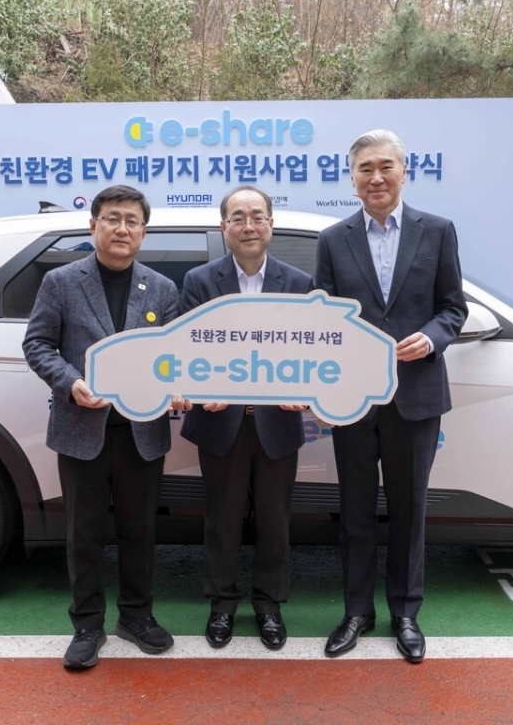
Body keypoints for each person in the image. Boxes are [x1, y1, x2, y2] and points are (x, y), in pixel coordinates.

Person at [314, 129, 468, 663]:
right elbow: (323, 324)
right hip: (353, 400)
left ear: (405, 171)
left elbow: (454, 308)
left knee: (409, 510)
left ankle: (405, 613)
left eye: (385, 166)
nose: (375, 177)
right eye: (364, 169)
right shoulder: (333, 241)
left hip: (416, 394)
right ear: (351, 178)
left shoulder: (438, 231)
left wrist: (432, 337)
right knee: (354, 510)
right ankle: (356, 612)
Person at [22, 184, 184, 670]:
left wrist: (176, 383)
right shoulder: (62, 283)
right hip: (81, 427)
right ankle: (87, 624)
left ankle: (136, 616)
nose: (122, 228)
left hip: (141, 432)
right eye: (112, 218)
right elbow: (38, 345)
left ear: (143, 232)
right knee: (84, 532)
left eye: (132, 221)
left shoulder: (161, 288)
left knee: (140, 529)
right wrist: (70, 383)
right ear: (93, 226)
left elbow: (173, 359)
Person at [179, 186, 314, 650]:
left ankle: (269, 605)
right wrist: (201, 391)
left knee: (275, 518)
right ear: (224, 228)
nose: (248, 225)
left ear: (271, 224)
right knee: (223, 516)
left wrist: (307, 390)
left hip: (278, 422)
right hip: (221, 424)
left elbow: (311, 351)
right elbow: (187, 348)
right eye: (238, 217)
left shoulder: (298, 283)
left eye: (257, 216)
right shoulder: (199, 281)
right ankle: (221, 606)